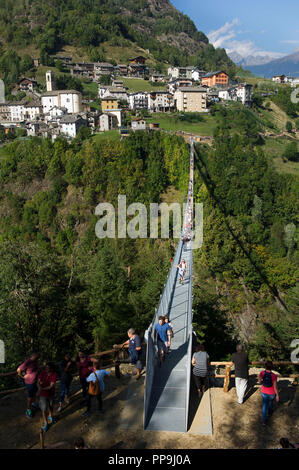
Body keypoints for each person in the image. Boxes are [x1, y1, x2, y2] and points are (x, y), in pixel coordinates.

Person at [17, 351, 40, 419]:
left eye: (38, 355)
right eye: (37, 355)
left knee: (34, 394)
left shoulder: (35, 361)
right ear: (33, 355)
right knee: (30, 397)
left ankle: (33, 405)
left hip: (35, 381)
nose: (38, 356)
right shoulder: (28, 361)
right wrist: (23, 376)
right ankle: (28, 410)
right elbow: (18, 370)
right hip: (29, 382)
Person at [258, 360, 279, 426]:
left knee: (264, 406)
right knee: (270, 402)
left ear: (265, 366)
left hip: (263, 392)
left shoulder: (262, 373)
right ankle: (270, 412)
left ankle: (264, 421)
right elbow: (275, 387)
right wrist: (277, 395)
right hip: (271, 393)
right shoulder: (274, 376)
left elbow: (259, 381)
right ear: (272, 367)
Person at [38, 362, 57, 432]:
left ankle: (50, 416)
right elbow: (38, 381)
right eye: (46, 367)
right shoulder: (43, 373)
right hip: (43, 395)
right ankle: (46, 423)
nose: (46, 369)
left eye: (48, 368)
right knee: (44, 409)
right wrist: (39, 386)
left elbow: (51, 386)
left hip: (51, 394)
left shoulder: (54, 374)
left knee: (51, 406)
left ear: (51, 368)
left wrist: (41, 389)